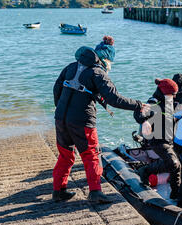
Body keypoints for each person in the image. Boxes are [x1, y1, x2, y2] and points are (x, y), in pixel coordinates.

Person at [52, 36, 147, 203]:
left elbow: (57, 88)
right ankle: (96, 193)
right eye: (110, 62)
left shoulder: (71, 67)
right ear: (106, 59)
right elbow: (114, 99)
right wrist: (138, 105)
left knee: (66, 155)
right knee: (92, 155)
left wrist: (60, 110)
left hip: (60, 119)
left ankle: (59, 190)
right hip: (82, 121)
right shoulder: (98, 73)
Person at [135, 78, 182, 199]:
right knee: (174, 163)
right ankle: (146, 171)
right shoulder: (153, 102)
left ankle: (175, 192)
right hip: (158, 140)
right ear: (165, 92)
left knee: (175, 164)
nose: (174, 97)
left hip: (169, 138)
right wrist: (144, 121)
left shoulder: (169, 102)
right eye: (173, 94)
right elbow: (138, 113)